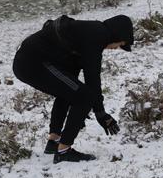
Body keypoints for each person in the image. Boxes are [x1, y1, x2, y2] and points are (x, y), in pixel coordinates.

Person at [12, 15, 134, 163]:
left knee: (72, 93)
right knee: (85, 96)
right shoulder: (97, 36)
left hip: (28, 62)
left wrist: (78, 113)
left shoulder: (88, 31)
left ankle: (54, 142)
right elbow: (92, 79)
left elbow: (73, 80)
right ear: (118, 34)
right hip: (33, 64)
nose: (116, 48)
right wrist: (100, 113)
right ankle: (64, 151)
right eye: (120, 44)